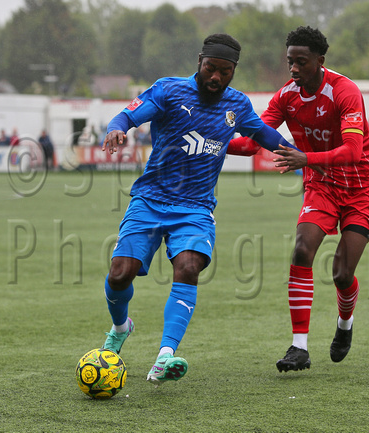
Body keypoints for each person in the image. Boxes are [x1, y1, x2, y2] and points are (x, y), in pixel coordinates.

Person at [100, 33, 299, 387]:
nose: (215, 78)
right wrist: (117, 128)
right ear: (199, 61)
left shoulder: (237, 105)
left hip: (195, 208)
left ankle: (165, 356)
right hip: (150, 200)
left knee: (188, 266)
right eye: (211, 68)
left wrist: (300, 156)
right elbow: (129, 115)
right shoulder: (169, 91)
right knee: (119, 275)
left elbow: (263, 135)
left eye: (224, 71)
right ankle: (120, 328)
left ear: (234, 70)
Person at [229, 26, 369, 372]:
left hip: (362, 185)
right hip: (322, 185)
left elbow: (353, 151)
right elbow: (254, 141)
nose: (294, 69)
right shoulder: (286, 96)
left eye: (301, 62)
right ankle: (299, 347)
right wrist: (212, 143)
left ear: (320, 61)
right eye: (290, 62)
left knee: (342, 273)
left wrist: (306, 159)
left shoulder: (345, 91)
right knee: (302, 249)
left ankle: (345, 325)